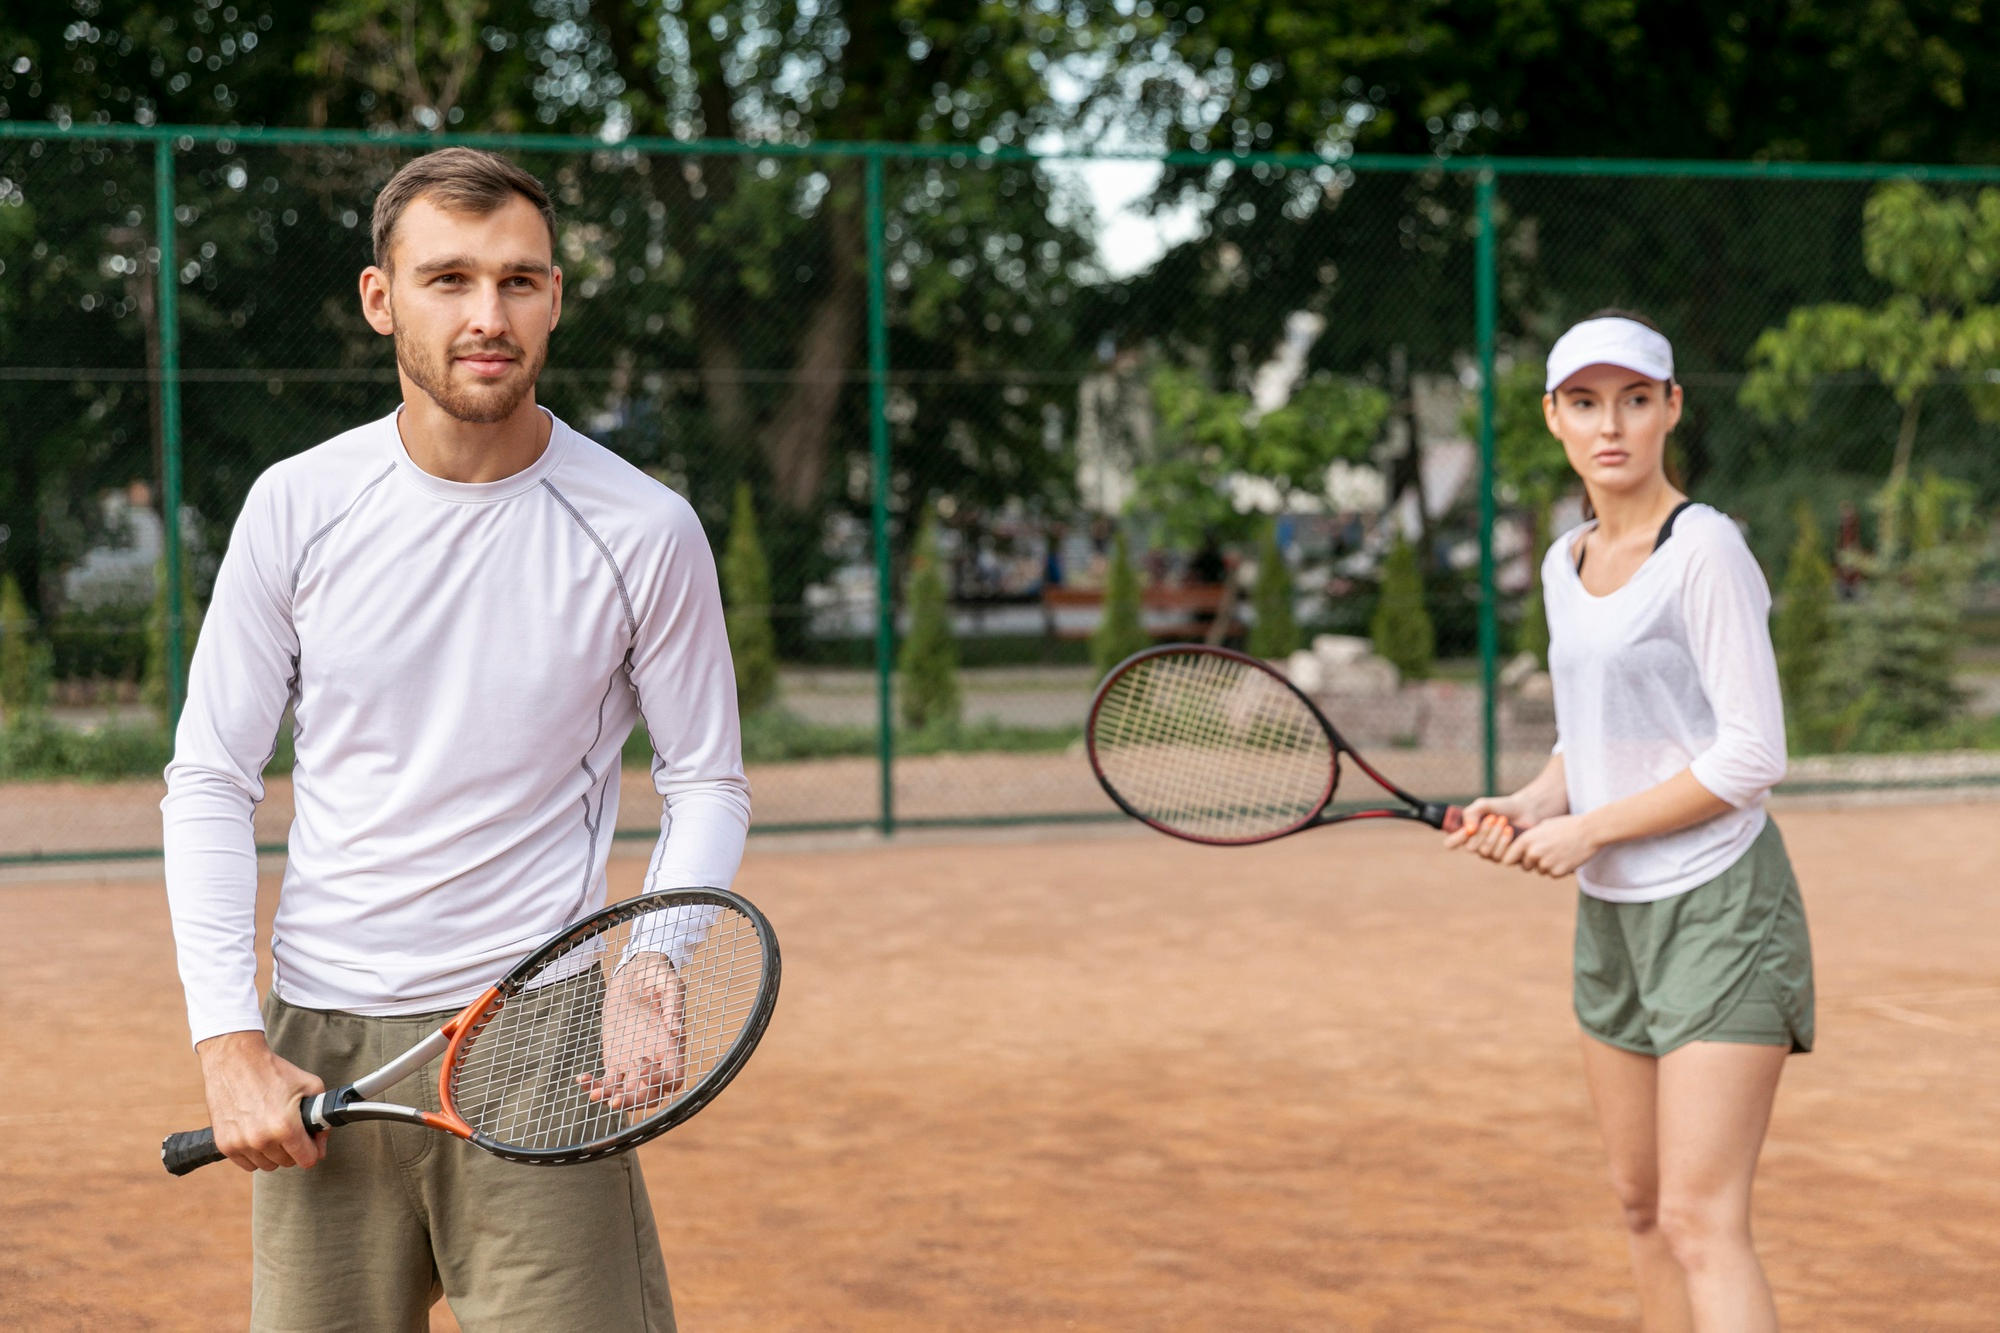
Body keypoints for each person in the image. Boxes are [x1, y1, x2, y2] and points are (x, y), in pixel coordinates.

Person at [161, 147, 749, 1331]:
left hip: (539, 1033)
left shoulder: (643, 527)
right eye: (449, 279)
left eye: (518, 281)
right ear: (381, 299)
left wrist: (651, 963)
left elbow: (706, 782)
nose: (488, 316)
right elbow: (211, 779)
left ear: (555, 296)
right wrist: (228, 1039)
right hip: (321, 1041)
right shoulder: (298, 504)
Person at [1446, 312, 1813, 1332]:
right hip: (1613, 917)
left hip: (1719, 907)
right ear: (1552, 417)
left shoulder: (1705, 550)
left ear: (1670, 408)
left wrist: (1593, 830)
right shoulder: (1564, 562)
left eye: (1634, 400)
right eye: (1584, 402)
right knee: (1641, 1207)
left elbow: (1751, 754)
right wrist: (1534, 801)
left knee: (1702, 1221)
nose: (1609, 426)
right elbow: (1597, 732)